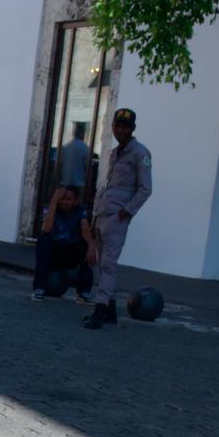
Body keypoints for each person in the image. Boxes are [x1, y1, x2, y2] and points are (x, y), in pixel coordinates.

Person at [82, 107, 153, 328]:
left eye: (125, 126)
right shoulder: (115, 153)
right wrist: (95, 212)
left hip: (117, 216)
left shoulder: (140, 153)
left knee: (109, 264)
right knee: (104, 264)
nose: (120, 130)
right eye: (118, 125)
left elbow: (145, 188)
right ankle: (110, 310)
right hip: (103, 213)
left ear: (132, 129)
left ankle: (99, 310)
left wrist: (127, 211)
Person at [31, 185, 94, 302]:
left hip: (70, 253)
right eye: (62, 198)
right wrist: (54, 201)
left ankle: (83, 292)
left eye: (68, 199)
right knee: (44, 240)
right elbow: (46, 229)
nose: (64, 202)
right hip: (55, 253)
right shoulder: (52, 208)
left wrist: (91, 245)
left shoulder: (80, 211)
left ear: (75, 201)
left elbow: (85, 227)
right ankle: (39, 288)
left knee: (86, 244)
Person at [55, 122, 91, 193]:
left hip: (65, 183)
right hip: (79, 184)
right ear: (83, 133)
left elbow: (58, 164)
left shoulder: (66, 147)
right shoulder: (85, 148)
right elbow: (88, 168)